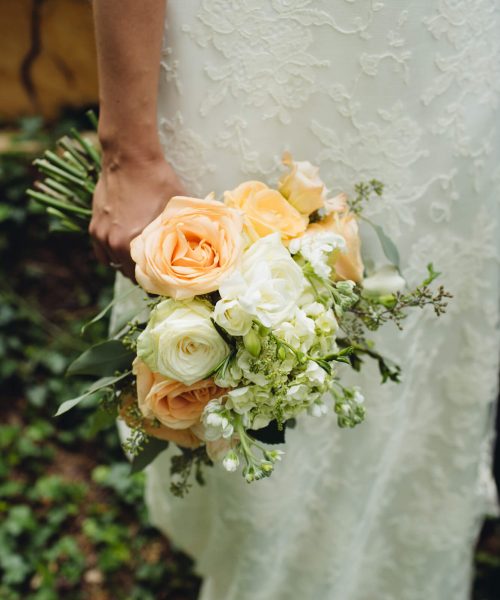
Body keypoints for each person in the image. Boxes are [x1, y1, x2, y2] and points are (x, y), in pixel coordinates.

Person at [90, 1, 500, 598]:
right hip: (263, 56)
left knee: (415, 352)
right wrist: (127, 152)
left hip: (447, 68)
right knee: (239, 375)